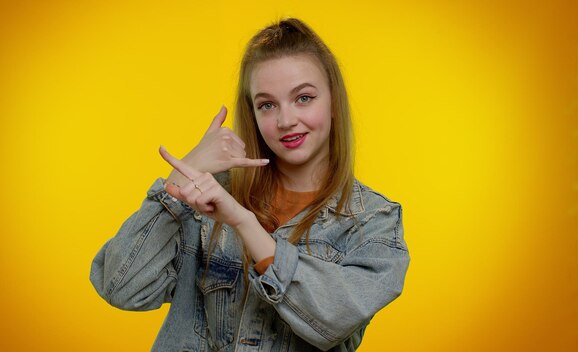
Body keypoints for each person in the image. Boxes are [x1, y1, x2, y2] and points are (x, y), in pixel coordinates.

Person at [90, 18, 410, 351]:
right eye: (267, 105)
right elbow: (120, 287)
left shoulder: (375, 222)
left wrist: (243, 222)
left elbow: (334, 318)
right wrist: (184, 174)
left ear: (333, 102)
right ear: (253, 114)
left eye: (303, 98)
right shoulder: (208, 199)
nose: (286, 121)